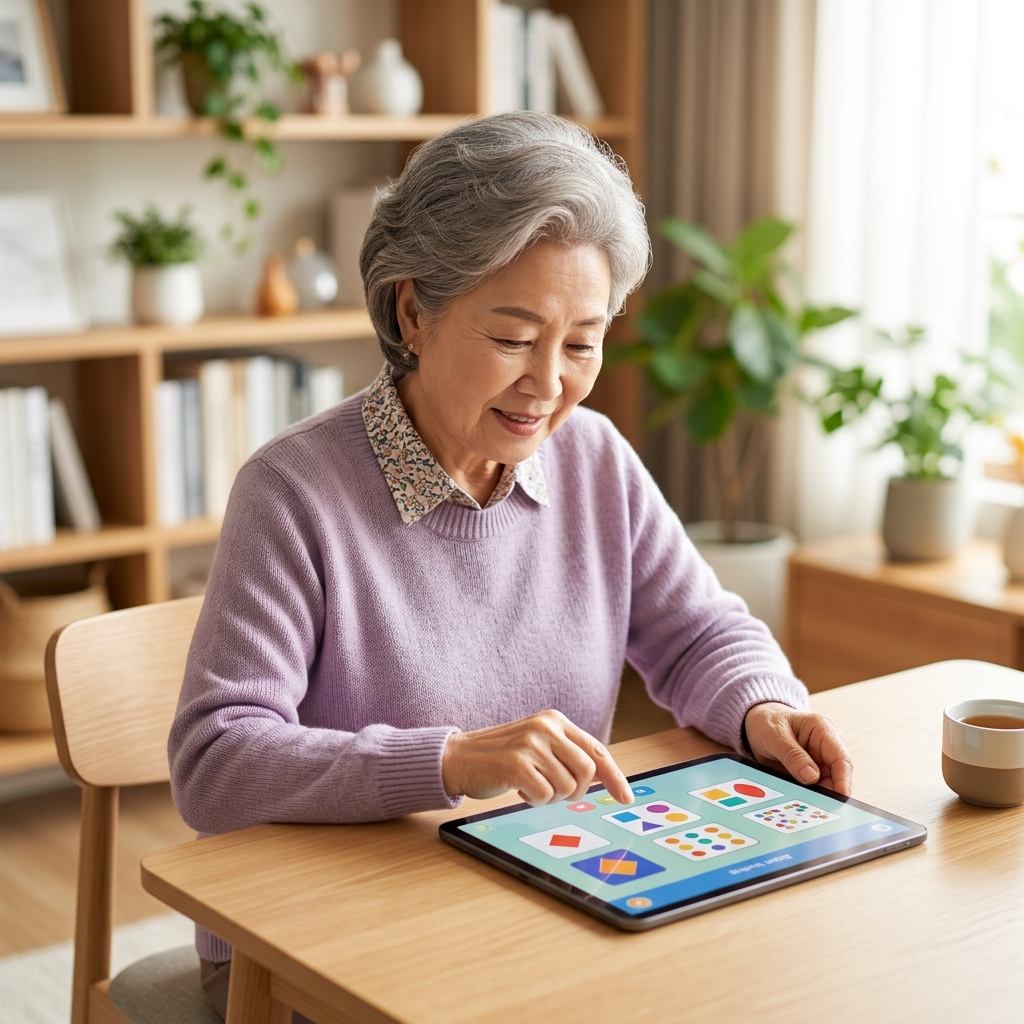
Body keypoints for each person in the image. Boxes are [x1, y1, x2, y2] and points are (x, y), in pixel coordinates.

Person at [169, 111, 852, 1013]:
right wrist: (448, 763)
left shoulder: (595, 458)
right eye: (512, 336)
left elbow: (697, 633)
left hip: (542, 898)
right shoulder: (293, 493)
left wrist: (765, 704)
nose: (548, 383)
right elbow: (216, 764)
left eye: (582, 342)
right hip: (316, 944)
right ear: (414, 310)